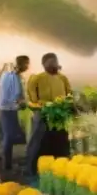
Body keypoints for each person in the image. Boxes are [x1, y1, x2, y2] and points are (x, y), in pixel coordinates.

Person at [25, 52, 73, 180]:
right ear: (44, 64)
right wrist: (45, 106)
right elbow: (32, 100)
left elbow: (70, 95)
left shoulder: (63, 79)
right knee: (38, 145)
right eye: (51, 63)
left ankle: (60, 173)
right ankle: (33, 173)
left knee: (61, 146)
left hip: (60, 119)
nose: (54, 65)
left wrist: (67, 105)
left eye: (55, 62)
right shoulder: (36, 79)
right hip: (42, 117)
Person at [0, 56, 29, 171]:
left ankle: (8, 164)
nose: (27, 66)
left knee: (10, 136)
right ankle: (7, 166)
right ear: (21, 64)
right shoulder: (11, 77)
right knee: (9, 137)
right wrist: (20, 103)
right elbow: (11, 94)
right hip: (6, 110)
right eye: (26, 64)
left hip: (8, 109)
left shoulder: (12, 76)